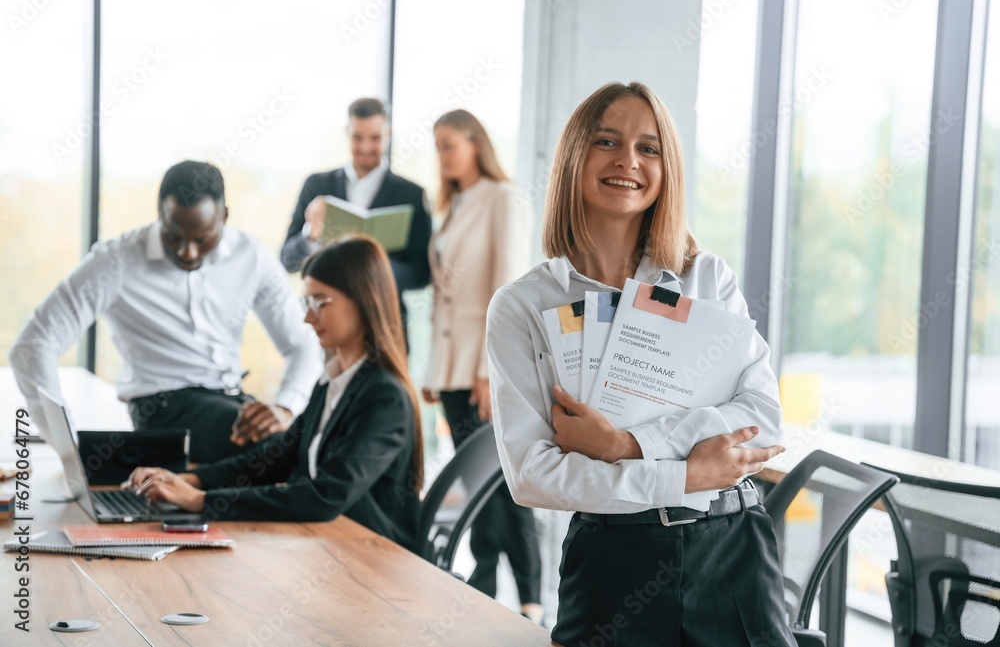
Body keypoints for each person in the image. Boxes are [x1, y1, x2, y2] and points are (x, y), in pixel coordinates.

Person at [486, 82, 795, 646]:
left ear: (667, 167)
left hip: (732, 551)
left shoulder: (707, 280)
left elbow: (762, 419)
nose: (628, 160)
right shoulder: (523, 306)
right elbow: (532, 474)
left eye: (649, 148)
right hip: (612, 560)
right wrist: (683, 474)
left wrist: (624, 447)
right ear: (575, 156)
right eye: (607, 140)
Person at [9, 161, 322, 464]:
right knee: (287, 450)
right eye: (174, 236)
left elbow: (302, 343)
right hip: (162, 409)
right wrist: (66, 443)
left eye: (202, 239)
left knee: (321, 437)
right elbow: (33, 345)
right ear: (160, 214)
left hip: (230, 400)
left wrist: (284, 406)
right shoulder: (116, 260)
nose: (188, 252)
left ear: (224, 217)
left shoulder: (250, 255)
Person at [125, 236, 424, 549]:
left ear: (365, 300)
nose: (308, 318)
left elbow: (324, 495)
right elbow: (278, 455)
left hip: (376, 556)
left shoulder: (384, 397)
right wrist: (192, 480)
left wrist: (202, 501)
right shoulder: (332, 383)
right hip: (332, 542)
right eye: (305, 303)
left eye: (320, 302)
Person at [420, 109, 543, 622]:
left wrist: (489, 372)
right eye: (438, 146)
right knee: (478, 484)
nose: (443, 155)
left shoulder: (503, 199)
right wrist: (435, 368)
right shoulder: (453, 204)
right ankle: (487, 584)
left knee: (504, 483)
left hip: (482, 368)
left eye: (450, 144)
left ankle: (533, 599)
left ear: (476, 143)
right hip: (452, 367)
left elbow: (506, 291)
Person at [280, 97, 432, 346]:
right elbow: (287, 261)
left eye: (375, 138)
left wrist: (371, 268)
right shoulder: (317, 186)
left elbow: (422, 274)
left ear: (388, 134)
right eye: (357, 137)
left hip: (384, 329)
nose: (365, 147)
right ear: (346, 133)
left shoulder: (412, 195)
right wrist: (311, 235)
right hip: (322, 327)